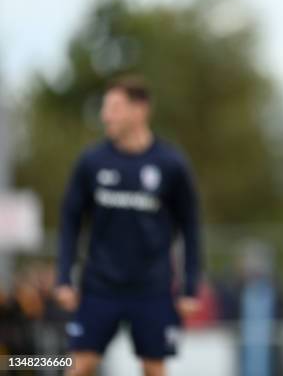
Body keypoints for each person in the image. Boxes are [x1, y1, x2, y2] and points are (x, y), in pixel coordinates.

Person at [54, 75, 202, 376]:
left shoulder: (170, 164)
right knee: (80, 363)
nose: (106, 115)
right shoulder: (92, 162)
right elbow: (70, 221)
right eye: (106, 107)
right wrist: (63, 277)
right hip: (100, 285)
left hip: (152, 287)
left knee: (153, 366)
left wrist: (190, 287)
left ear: (140, 109)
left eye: (115, 107)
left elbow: (191, 227)